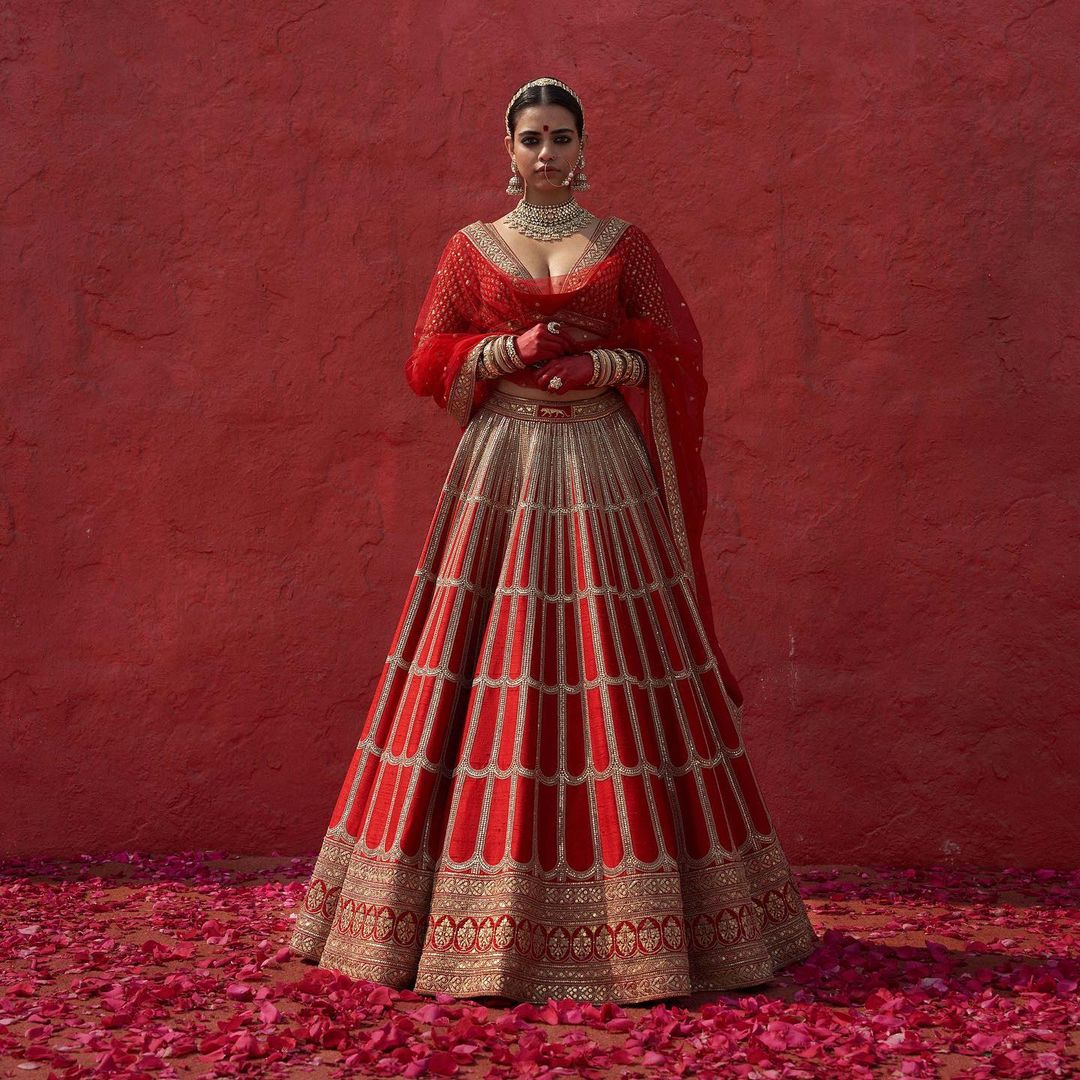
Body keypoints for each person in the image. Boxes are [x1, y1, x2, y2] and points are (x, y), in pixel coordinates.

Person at [289, 76, 818, 1004]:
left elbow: (676, 349)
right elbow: (425, 358)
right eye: (531, 137)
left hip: (605, 469)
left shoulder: (624, 245)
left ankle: (655, 922)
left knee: (617, 661)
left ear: (583, 147)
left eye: (561, 137)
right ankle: (451, 916)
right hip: (502, 469)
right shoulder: (469, 249)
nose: (546, 152)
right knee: (488, 655)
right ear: (508, 147)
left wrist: (602, 360)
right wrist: (505, 354)